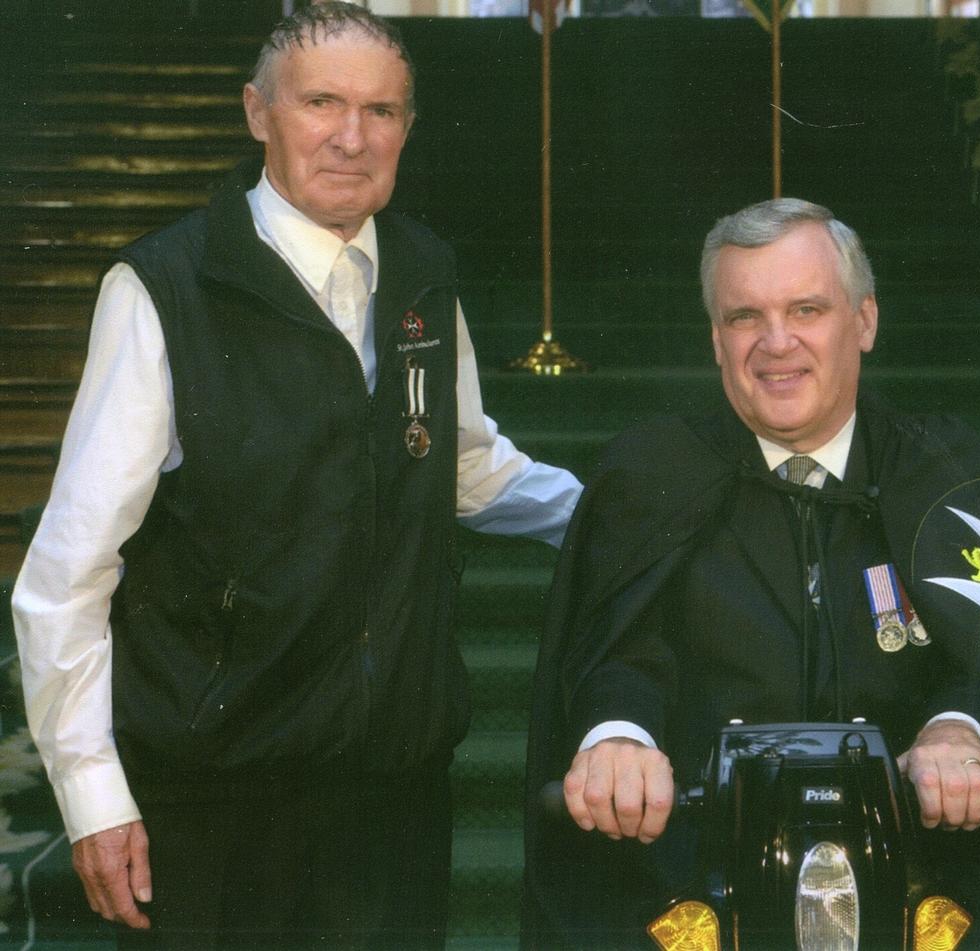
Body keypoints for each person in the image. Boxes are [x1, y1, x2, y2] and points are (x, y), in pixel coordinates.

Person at [12, 4, 581, 948]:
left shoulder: (424, 273)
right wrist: (91, 793)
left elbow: (464, 460)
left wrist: (610, 514)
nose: (353, 138)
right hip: (218, 795)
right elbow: (68, 571)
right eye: (321, 102)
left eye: (383, 111)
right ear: (256, 112)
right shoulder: (163, 288)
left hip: (392, 789)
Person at [522, 198, 980, 948]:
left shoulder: (954, 476)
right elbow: (616, 654)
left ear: (865, 321)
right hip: (699, 879)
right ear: (716, 340)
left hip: (921, 876)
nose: (776, 343)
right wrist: (617, 739)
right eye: (744, 317)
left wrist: (959, 728)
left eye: (808, 309)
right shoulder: (647, 474)